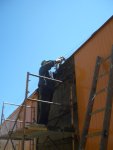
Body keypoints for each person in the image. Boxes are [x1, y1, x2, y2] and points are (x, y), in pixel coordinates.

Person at [38, 58, 65, 125]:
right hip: (44, 89)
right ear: (43, 64)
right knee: (44, 108)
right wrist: (55, 61)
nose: (47, 63)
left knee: (48, 108)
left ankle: (45, 124)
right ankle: (41, 124)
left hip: (50, 90)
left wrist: (59, 64)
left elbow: (56, 74)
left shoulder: (50, 73)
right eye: (46, 62)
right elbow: (47, 66)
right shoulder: (42, 69)